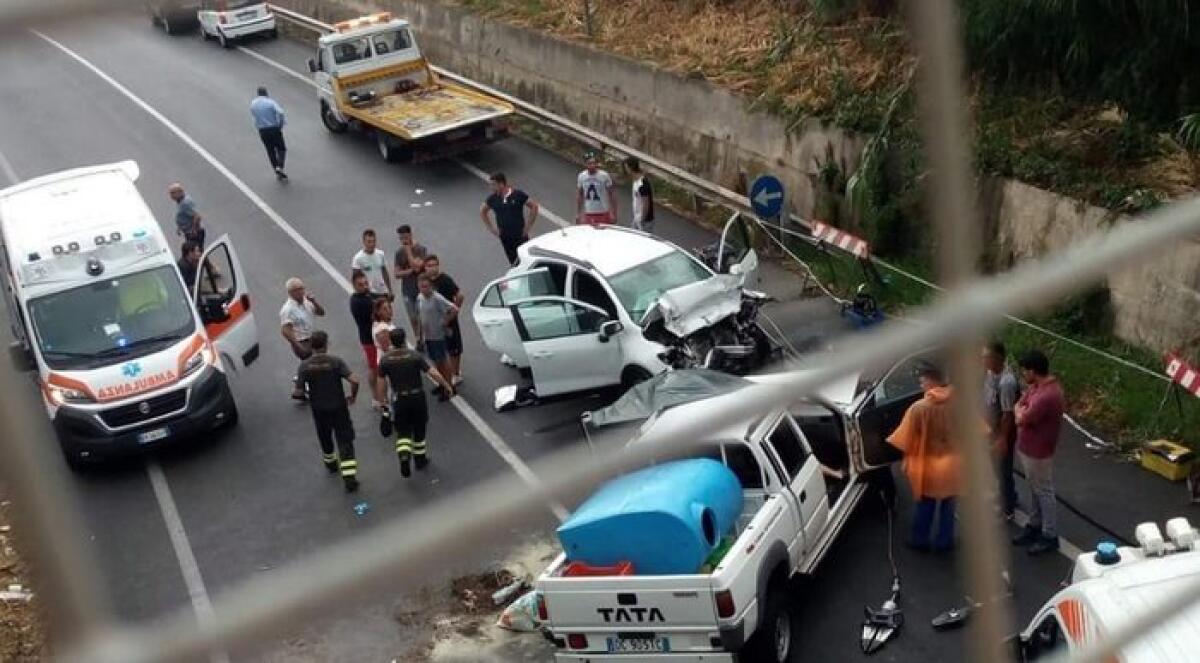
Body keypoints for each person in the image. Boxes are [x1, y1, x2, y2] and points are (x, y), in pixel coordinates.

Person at [887, 364, 961, 552]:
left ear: (931, 381)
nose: (921, 386)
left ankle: (919, 540)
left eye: (922, 382)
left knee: (925, 504)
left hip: (927, 465)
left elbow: (904, 439)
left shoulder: (918, 408)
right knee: (948, 505)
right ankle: (944, 541)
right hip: (952, 465)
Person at [377, 328, 454, 477]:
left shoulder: (385, 359)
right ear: (404, 340)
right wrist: (446, 385)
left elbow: (381, 382)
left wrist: (383, 401)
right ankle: (420, 459)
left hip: (399, 399)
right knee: (419, 429)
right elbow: (432, 372)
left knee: (403, 431)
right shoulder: (414, 356)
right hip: (417, 397)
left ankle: (404, 454)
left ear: (391, 341)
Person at [1012, 349, 1065, 556]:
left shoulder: (1046, 396)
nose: (1023, 374)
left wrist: (1019, 410)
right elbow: (1020, 403)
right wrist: (1020, 408)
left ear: (1033, 371)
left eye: (1025, 371)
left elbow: (1021, 417)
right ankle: (1035, 524)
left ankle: (1049, 534)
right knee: (1035, 489)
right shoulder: (1037, 387)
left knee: (1043, 491)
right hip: (1029, 448)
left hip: (1038, 451)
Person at [296, 331, 361, 492]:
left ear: (311, 346)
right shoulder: (335, 362)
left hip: (319, 409)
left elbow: (298, 392)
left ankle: (331, 463)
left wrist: (304, 393)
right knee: (344, 440)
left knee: (325, 436)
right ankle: (349, 478)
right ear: (326, 344)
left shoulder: (304, 366)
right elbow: (354, 380)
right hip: (338, 407)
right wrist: (353, 396)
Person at [982, 341, 1021, 520]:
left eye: (986, 357)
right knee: (995, 467)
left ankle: (1008, 509)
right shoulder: (991, 373)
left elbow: (1007, 414)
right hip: (991, 429)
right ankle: (1008, 495)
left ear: (997, 358)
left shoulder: (1007, 383)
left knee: (1003, 469)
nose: (983, 360)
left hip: (1001, 432)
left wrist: (1002, 439)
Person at [423, 255, 465, 387]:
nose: (432, 268)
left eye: (435, 265)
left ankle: (456, 374)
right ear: (425, 267)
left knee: (454, 347)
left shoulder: (445, 280)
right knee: (439, 349)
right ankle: (444, 375)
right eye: (429, 265)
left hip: (448, 319)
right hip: (433, 322)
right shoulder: (425, 281)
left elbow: (460, 296)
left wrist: (452, 314)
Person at [280, 277, 325, 400]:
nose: (301, 291)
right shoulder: (287, 309)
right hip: (301, 341)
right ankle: (307, 388)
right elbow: (285, 330)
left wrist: (314, 302)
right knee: (311, 364)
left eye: (302, 288)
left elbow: (321, 313)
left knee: (312, 363)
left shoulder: (307, 302)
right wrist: (297, 345)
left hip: (312, 338)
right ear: (291, 292)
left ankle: (300, 383)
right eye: (298, 289)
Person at [480, 172, 539, 266]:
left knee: (527, 260)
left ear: (501, 184)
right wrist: (492, 229)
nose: (491, 187)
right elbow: (483, 211)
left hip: (520, 235)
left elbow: (534, 206)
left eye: (493, 185)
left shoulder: (517, 194)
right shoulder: (493, 199)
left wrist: (528, 227)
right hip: (505, 237)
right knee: (514, 262)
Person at [415, 275, 457, 398]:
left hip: (438, 335)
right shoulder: (420, 298)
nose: (424, 289)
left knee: (443, 361)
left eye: (426, 286)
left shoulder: (437, 298)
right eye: (421, 286)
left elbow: (454, 309)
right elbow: (420, 316)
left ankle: (450, 386)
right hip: (428, 336)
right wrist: (419, 334)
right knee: (436, 361)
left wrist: (445, 322)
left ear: (431, 286)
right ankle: (442, 384)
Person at [393, 224, 427, 339]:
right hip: (407, 290)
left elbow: (418, 268)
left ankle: (423, 337)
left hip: (420, 289)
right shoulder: (399, 253)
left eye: (405, 237)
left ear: (411, 235)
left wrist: (408, 251)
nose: (404, 241)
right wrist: (410, 270)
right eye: (401, 238)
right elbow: (397, 274)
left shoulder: (420, 249)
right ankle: (418, 338)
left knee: (421, 317)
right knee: (413, 317)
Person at [250, 86, 288, 179]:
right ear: (266, 93)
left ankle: (276, 168)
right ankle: (280, 166)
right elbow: (280, 112)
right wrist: (280, 124)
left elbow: (254, 117)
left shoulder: (253, 104)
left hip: (262, 130)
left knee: (270, 150)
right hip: (273, 128)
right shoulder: (270, 102)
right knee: (281, 148)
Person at [348, 269, 377, 389]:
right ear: (354, 285)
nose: (365, 286)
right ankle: (375, 394)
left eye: (366, 283)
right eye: (360, 284)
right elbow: (374, 315)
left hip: (373, 336)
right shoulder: (358, 302)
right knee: (374, 368)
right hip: (369, 339)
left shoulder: (366, 296)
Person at [352, 229, 393, 302]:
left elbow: (385, 272)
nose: (372, 244)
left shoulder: (380, 254)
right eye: (369, 242)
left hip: (382, 291)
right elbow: (355, 279)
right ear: (364, 242)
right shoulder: (358, 258)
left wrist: (390, 290)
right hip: (368, 293)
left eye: (373, 241)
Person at [575, 152, 617, 225]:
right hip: (589, 212)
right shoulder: (581, 176)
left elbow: (612, 194)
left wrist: (614, 213)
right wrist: (578, 213)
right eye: (589, 163)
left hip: (603, 212)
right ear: (586, 164)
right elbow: (579, 195)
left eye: (594, 163)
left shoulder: (604, 175)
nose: (592, 165)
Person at [169, 183, 205, 248]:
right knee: (194, 251)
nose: (171, 196)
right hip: (190, 232)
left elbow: (197, 216)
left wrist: (193, 230)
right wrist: (180, 227)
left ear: (180, 192)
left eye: (173, 193)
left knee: (195, 251)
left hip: (194, 233)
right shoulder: (181, 202)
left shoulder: (185, 203)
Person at [624, 156, 655, 233]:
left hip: (644, 221)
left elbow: (646, 203)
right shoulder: (636, 180)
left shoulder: (642, 183)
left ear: (631, 168)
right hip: (637, 219)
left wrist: (642, 220)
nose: (625, 170)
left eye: (626, 167)